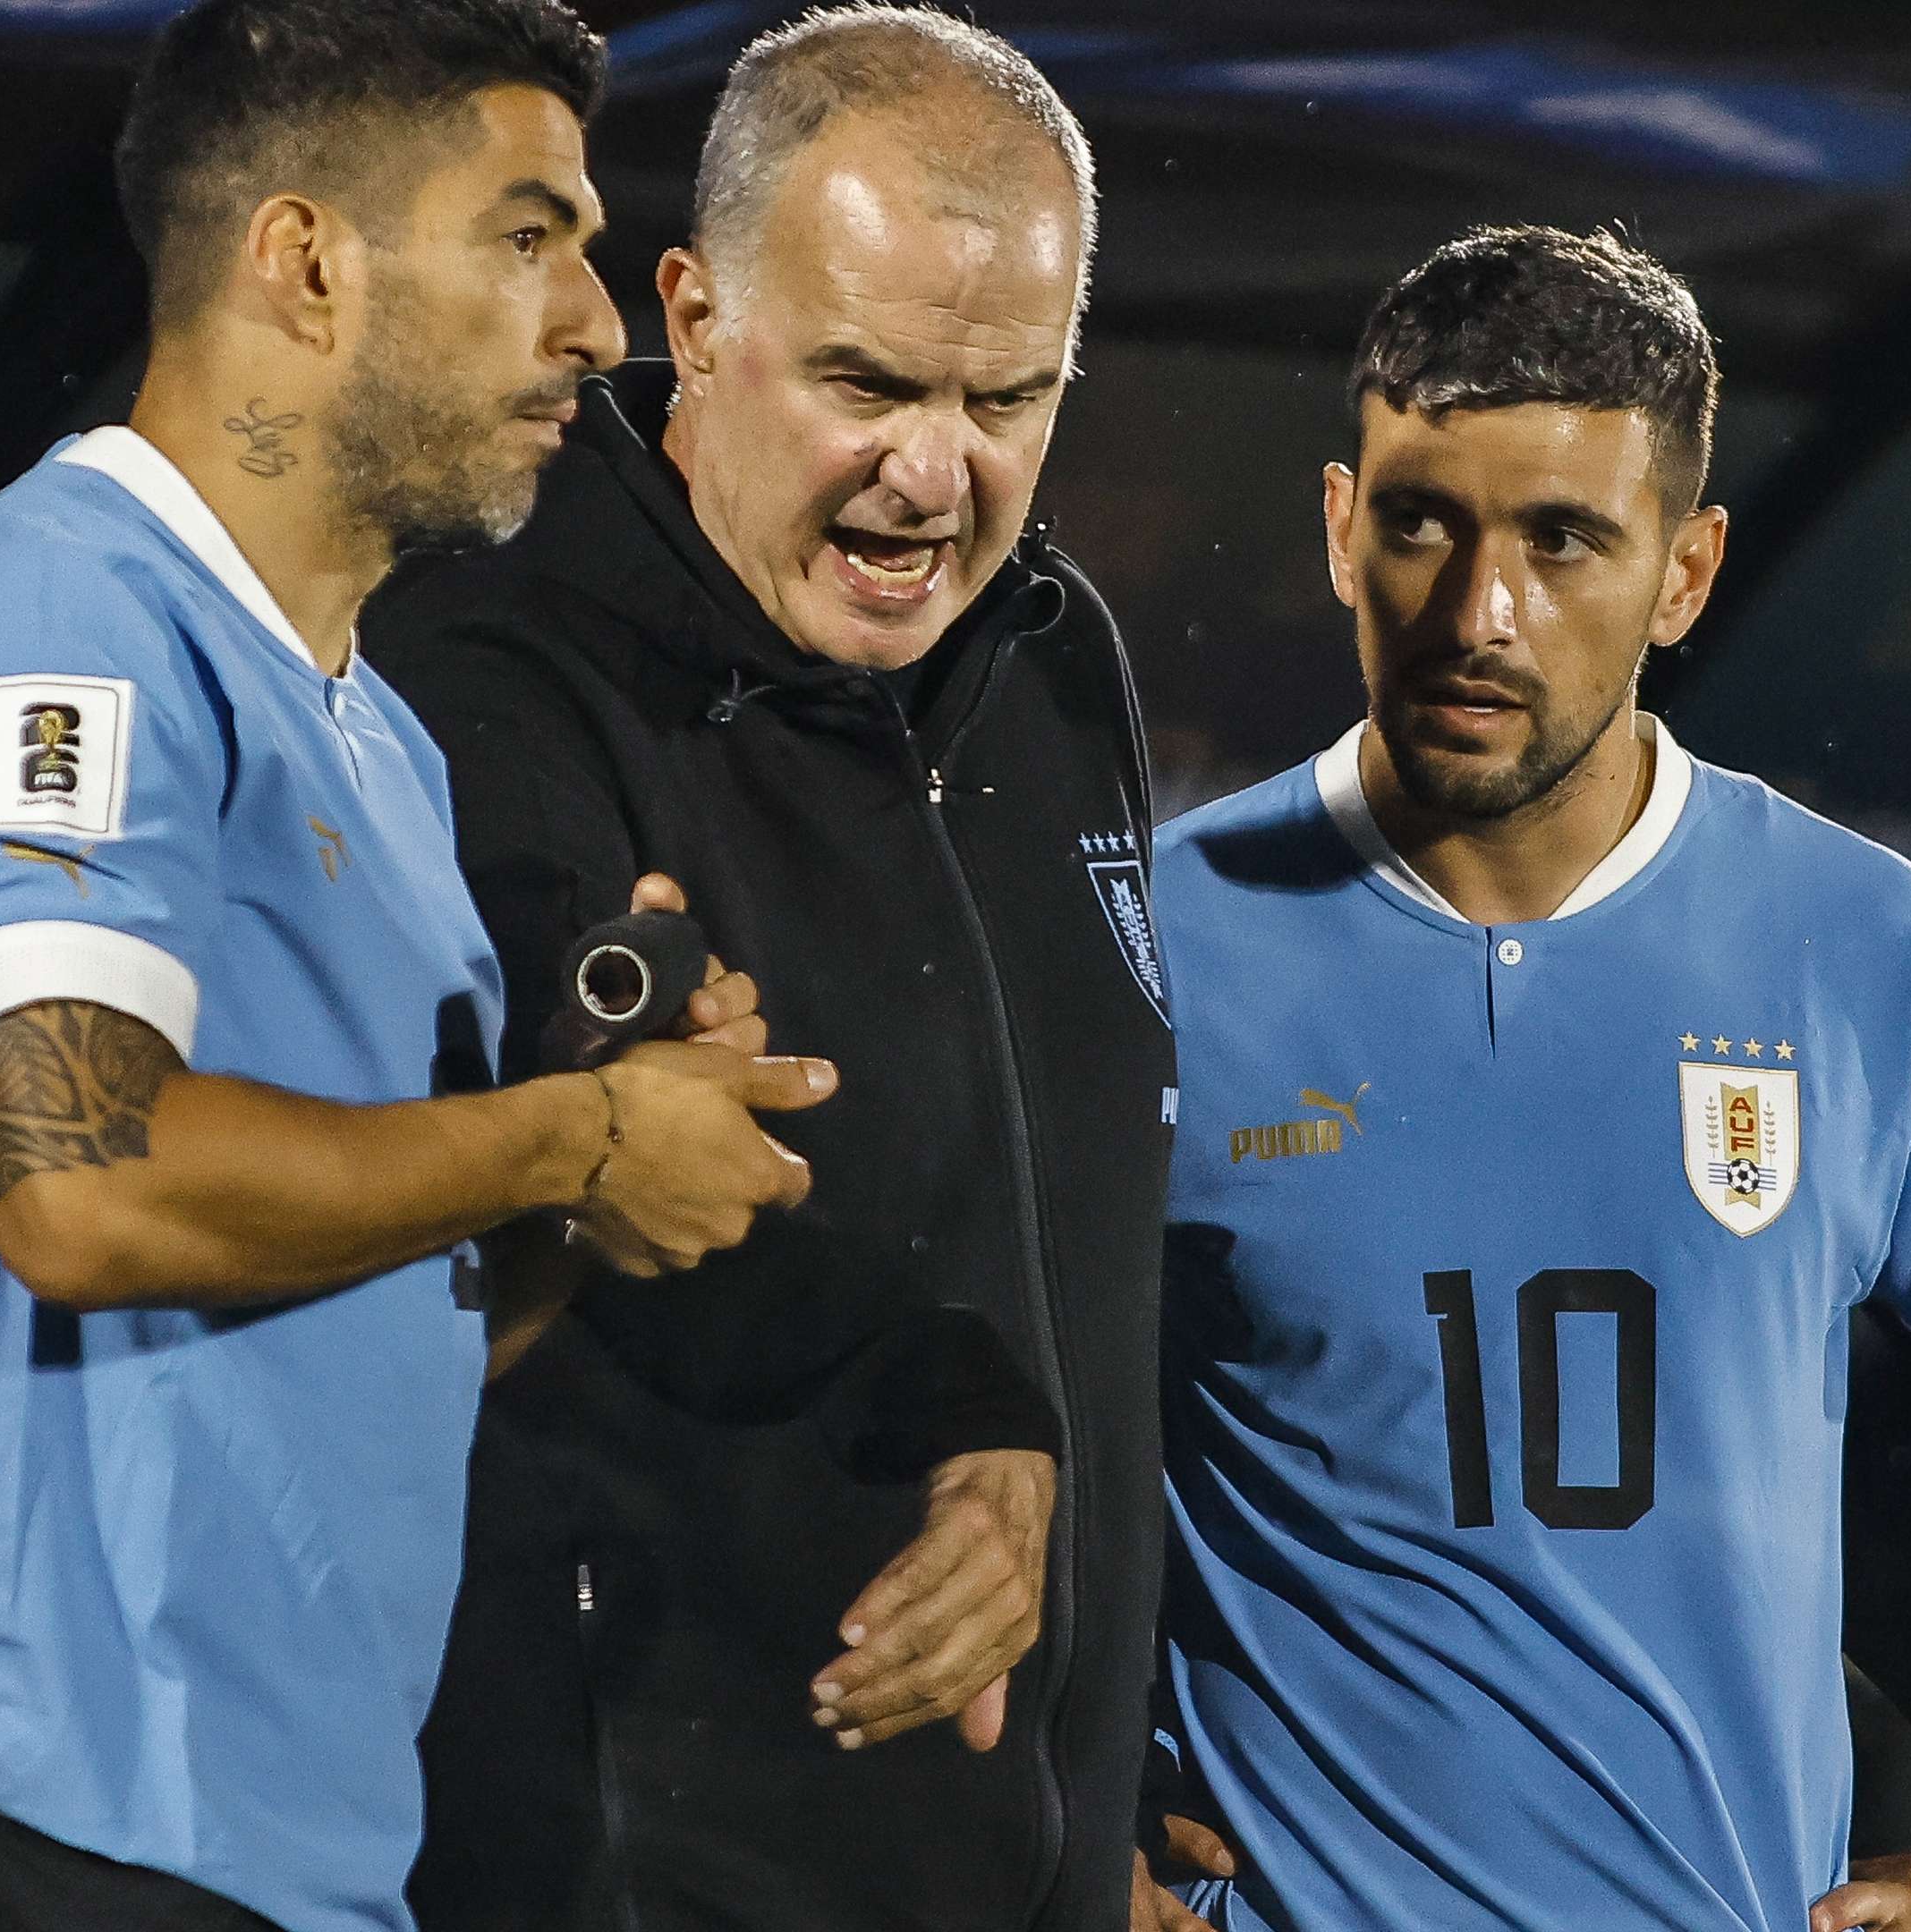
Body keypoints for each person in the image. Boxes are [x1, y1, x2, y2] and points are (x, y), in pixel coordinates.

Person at [0, 4, 830, 1928]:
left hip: (276, 1851)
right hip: (33, 1815)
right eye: (527, 236)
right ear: (307, 262)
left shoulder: (376, 742)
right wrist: (570, 1138)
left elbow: (374, 1309)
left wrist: (602, 1190)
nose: (593, 320)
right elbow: (84, 1180)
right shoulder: (64, 611)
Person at [1142, 225, 1911, 1932]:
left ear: (1687, 573)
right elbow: (986, 1447)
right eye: (1420, 523)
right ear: (1337, 525)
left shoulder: (1869, 952)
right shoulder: (1156, 946)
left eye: (1564, 542)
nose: (1481, 611)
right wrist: (1055, 1817)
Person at [363, 9, 1173, 1928]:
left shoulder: (1060, 655)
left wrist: (1118, 1786)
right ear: (695, 316)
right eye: (867, 383)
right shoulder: (491, 654)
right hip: (633, 1868)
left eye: (1007, 402)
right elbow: (540, 1109)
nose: (934, 478)